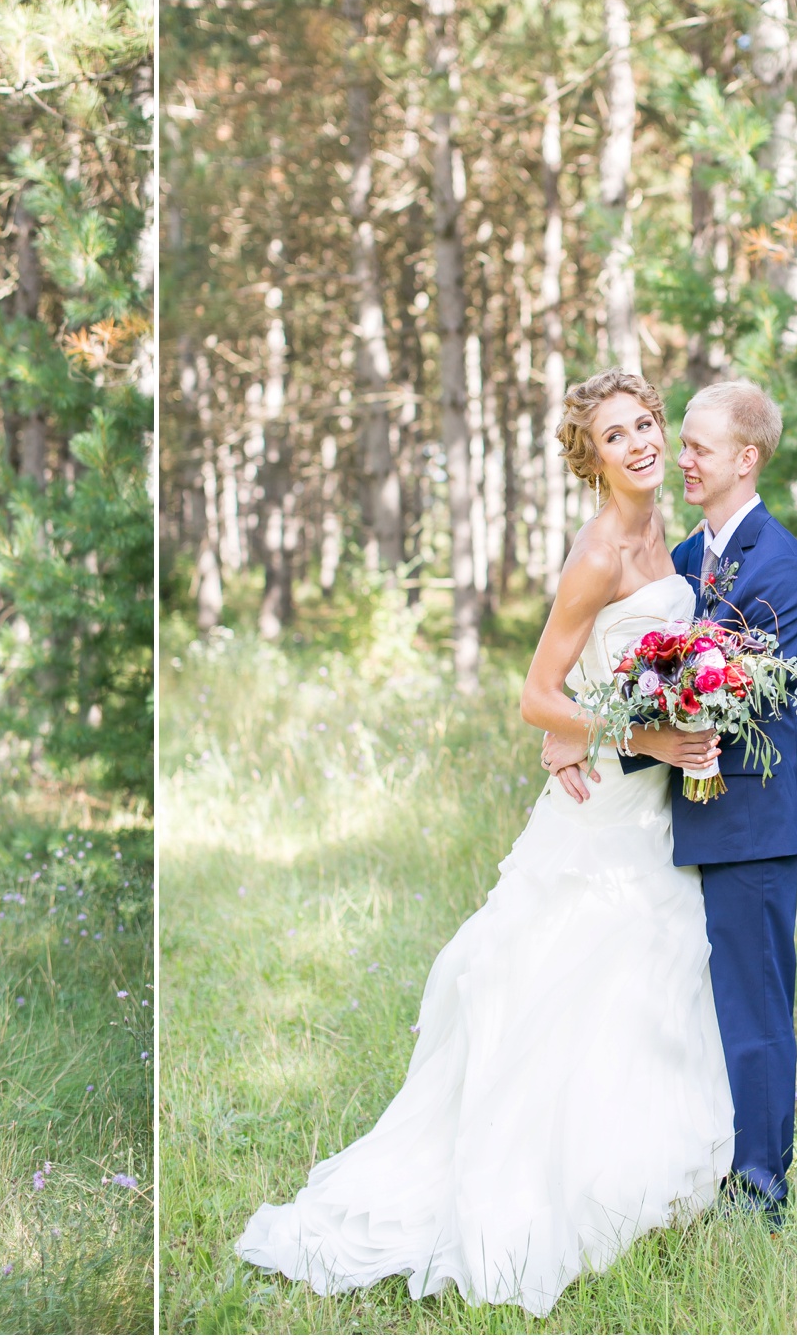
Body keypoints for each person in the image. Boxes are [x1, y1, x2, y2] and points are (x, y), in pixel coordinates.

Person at [237, 370, 738, 1318]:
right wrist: (631, 735)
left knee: (651, 985)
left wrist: (651, 718)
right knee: (562, 986)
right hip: (604, 814)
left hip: (656, 812)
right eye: (612, 435)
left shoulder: (665, 541)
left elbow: (632, 671)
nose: (635, 444)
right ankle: (543, 1187)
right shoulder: (596, 553)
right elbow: (537, 694)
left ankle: (647, 1183)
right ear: (588, 456)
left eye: (645, 425)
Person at [591, 378, 797, 1227]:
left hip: (751, 825)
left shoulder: (783, 567)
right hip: (677, 819)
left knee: (755, 1008)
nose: (682, 458)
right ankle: (696, 1163)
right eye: (680, 443)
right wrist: (580, 722)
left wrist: (621, 721)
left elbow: (724, 699)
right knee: (685, 1003)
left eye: (699, 447)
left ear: (746, 458)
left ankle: (762, 1188)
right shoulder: (686, 559)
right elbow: (634, 662)